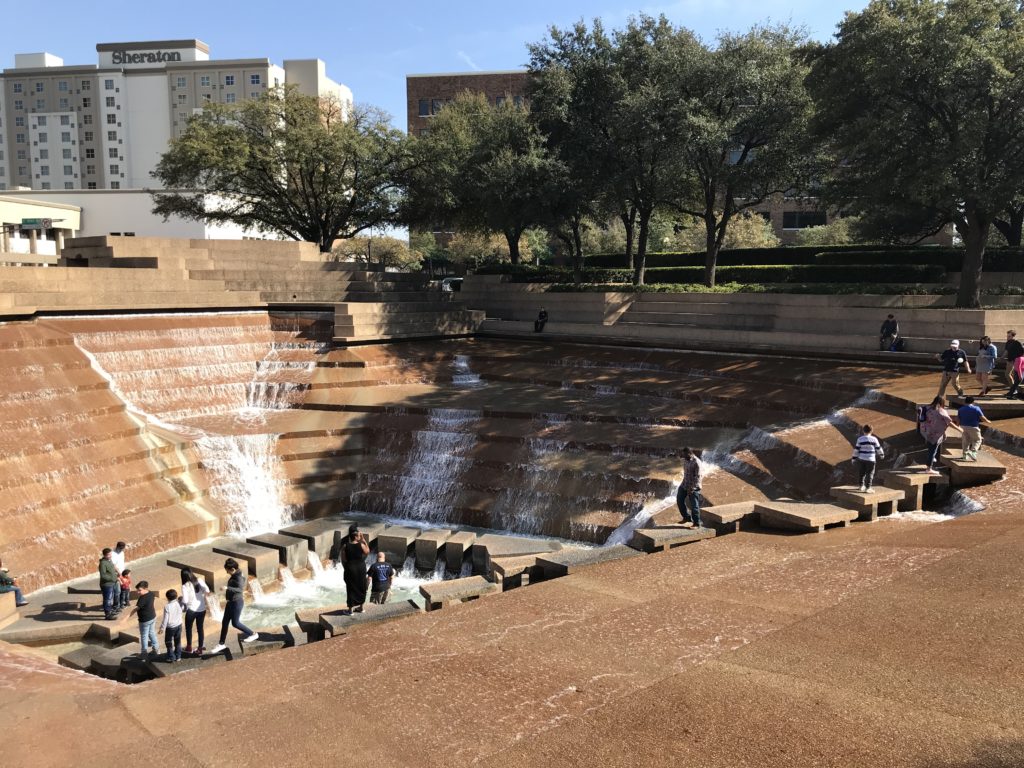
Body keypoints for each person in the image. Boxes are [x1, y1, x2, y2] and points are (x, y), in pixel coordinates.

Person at [210, 558, 258, 653]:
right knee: (225, 623)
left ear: (232, 569)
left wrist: (227, 588)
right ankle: (221, 644)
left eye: (227, 570)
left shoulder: (239, 577)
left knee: (235, 623)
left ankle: (253, 634)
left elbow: (240, 590)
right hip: (230, 602)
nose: (227, 572)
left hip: (237, 602)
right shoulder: (236, 573)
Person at [919, 396, 962, 474]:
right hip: (936, 434)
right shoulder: (941, 411)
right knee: (933, 450)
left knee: (930, 448)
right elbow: (949, 422)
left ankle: (931, 459)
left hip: (926, 431)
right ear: (942, 403)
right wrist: (959, 429)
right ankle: (929, 468)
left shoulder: (927, 408)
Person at [180, 568, 210, 656]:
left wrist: (181, 599)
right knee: (200, 629)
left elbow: (185, 600)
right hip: (202, 609)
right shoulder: (199, 580)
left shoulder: (185, 586)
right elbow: (207, 590)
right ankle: (200, 649)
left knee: (188, 628)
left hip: (191, 610)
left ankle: (189, 647)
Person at [341, 525, 370, 614]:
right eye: (358, 535)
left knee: (350, 587)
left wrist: (346, 568)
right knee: (362, 586)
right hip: (361, 567)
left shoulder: (345, 546)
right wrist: (364, 540)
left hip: (350, 568)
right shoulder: (361, 545)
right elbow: (367, 551)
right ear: (356, 536)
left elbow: (343, 559)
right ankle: (361, 607)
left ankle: (350, 610)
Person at [955, 396, 993, 461]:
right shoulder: (976, 408)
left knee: (965, 441)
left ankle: (965, 456)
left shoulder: (961, 409)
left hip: (963, 427)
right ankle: (973, 452)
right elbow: (982, 417)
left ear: (965, 402)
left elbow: (958, 419)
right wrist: (987, 421)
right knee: (978, 440)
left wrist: (957, 426)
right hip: (973, 427)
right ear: (973, 402)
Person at [128, 581, 159, 657]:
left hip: (145, 620)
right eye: (137, 590)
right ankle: (156, 649)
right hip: (152, 617)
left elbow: (136, 609)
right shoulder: (151, 594)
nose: (138, 592)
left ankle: (144, 653)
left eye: (140, 590)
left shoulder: (142, 598)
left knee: (144, 636)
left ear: (145, 588)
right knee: (151, 633)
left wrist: (126, 618)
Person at [851, 424, 884, 492]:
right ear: (871, 431)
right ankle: (868, 488)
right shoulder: (874, 439)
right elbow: (878, 448)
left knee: (862, 473)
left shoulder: (860, 439)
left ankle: (861, 486)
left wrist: (853, 458)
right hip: (871, 459)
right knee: (870, 473)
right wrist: (881, 455)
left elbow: (856, 450)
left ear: (863, 430)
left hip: (861, 459)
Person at [676, 447, 703, 528]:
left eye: (684, 454)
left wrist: (692, 488)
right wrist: (683, 484)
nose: (683, 456)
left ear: (690, 453)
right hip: (684, 484)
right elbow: (686, 474)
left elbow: (698, 477)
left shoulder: (697, 462)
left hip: (694, 487)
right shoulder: (685, 460)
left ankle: (696, 523)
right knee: (679, 500)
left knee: (694, 506)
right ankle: (686, 518)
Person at [159, 589, 184, 663]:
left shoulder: (167, 606)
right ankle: (178, 656)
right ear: (176, 596)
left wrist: (162, 628)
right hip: (179, 625)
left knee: (168, 642)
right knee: (178, 641)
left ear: (167, 598)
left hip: (171, 627)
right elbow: (182, 610)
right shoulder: (179, 603)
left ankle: (171, 657)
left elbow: (165, 618)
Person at [98, 547, 120, 620]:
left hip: (112, 583)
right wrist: (113, 578)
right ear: (105, 555)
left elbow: (112, 569)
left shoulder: (109, 560)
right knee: (107, 599)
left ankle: (110, 611)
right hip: (106, 584)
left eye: (111, 554)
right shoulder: (103, 563)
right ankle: (107, 615)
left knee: (110, 598)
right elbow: (103, 575)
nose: (110, 556)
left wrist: (117, 573)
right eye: (109, 554)